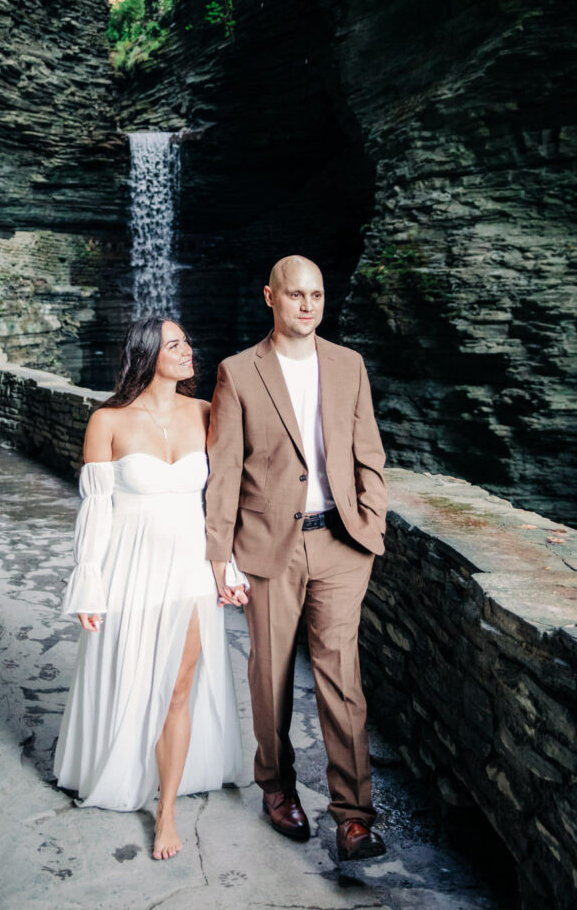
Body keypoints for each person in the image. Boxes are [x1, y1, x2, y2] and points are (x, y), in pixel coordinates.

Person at [205, 255, 388, 862]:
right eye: (295, 295)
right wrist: (219, 556)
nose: (307, 305)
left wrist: (372, 524)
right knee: (272, 674)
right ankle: (276, 785)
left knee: (343, 678)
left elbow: (368, 453)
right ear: (270, 297)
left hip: (340, 541)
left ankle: (354, 817)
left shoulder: (348, 364)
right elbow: (224, 472)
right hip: (266, 547)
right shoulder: (237, 372)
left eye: (316, 294)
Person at [54, 316, 247, 861]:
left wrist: (226, 568)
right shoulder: (108, 421)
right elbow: (94, 513)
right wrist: (88, 584)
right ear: (147, 354)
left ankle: (166, 812)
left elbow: (225, 498)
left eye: (187, 340)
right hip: (129, 568)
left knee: (178, 687)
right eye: (175, 344)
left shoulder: (207, 414)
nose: (188, 350)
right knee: (133, 674)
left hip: (189, 567)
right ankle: (120, 766)